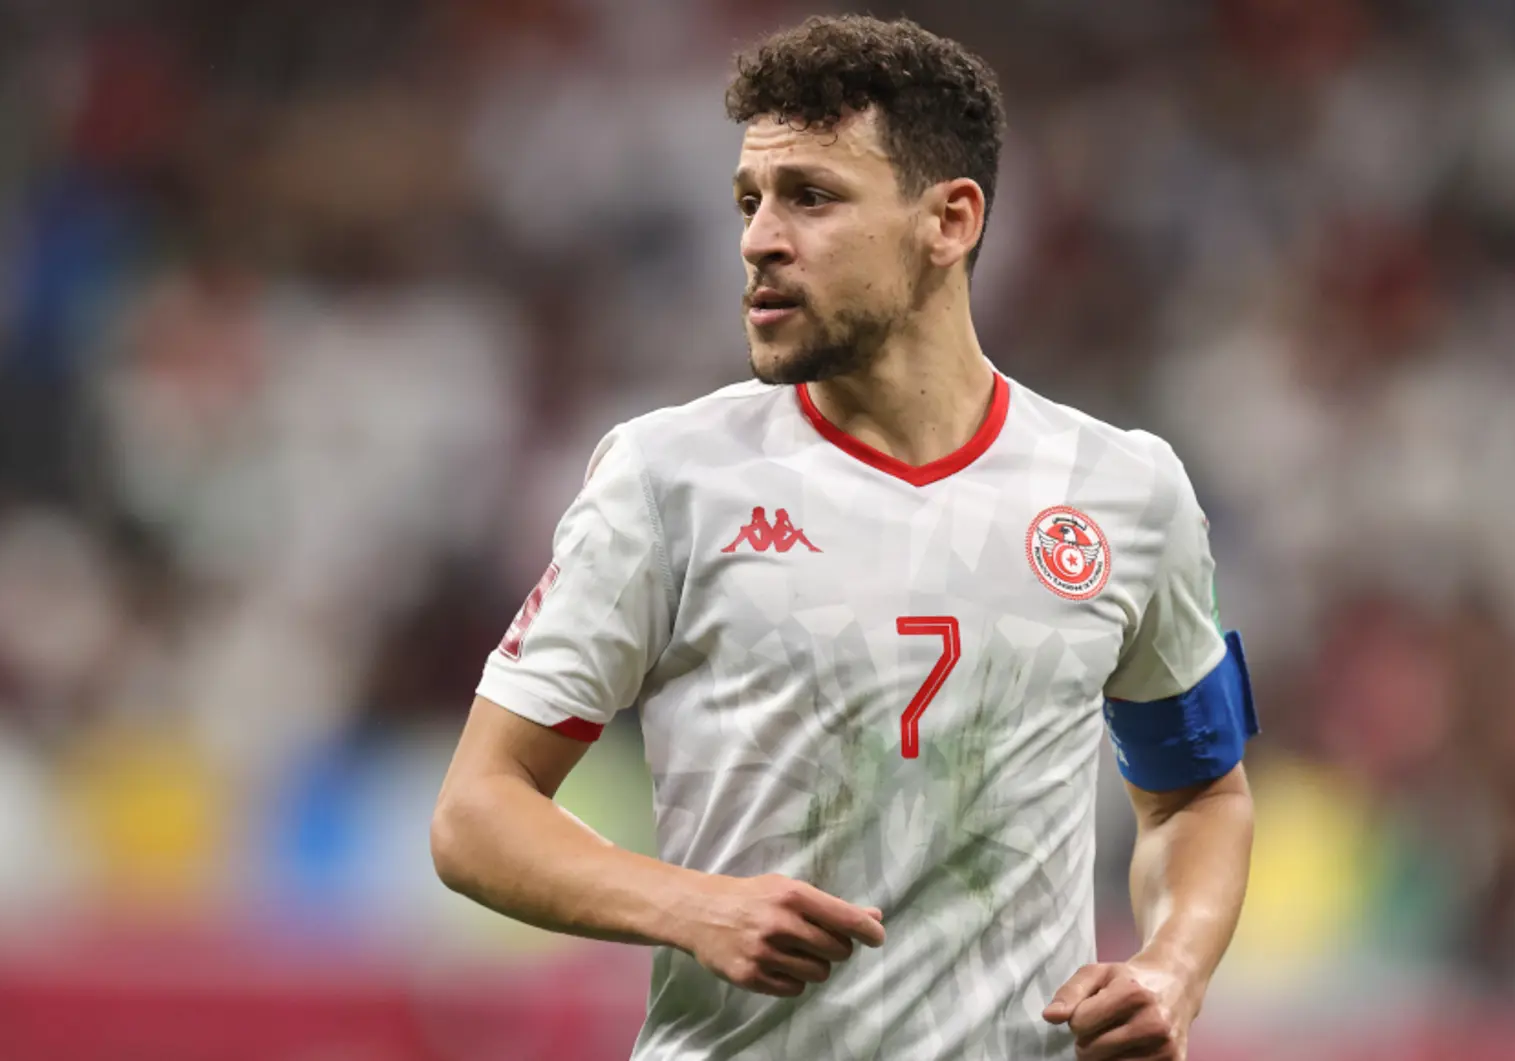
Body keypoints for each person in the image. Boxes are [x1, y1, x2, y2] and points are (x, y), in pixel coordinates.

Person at [431, 14, 1257, 1061]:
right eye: (750, 201)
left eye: (811, 197)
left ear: (949, 220)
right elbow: (476, 811)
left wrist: (1171, 967)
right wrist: (691, 905)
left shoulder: (1124, 492)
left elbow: (1198, 795)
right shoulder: (669, 478)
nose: (759, 239)